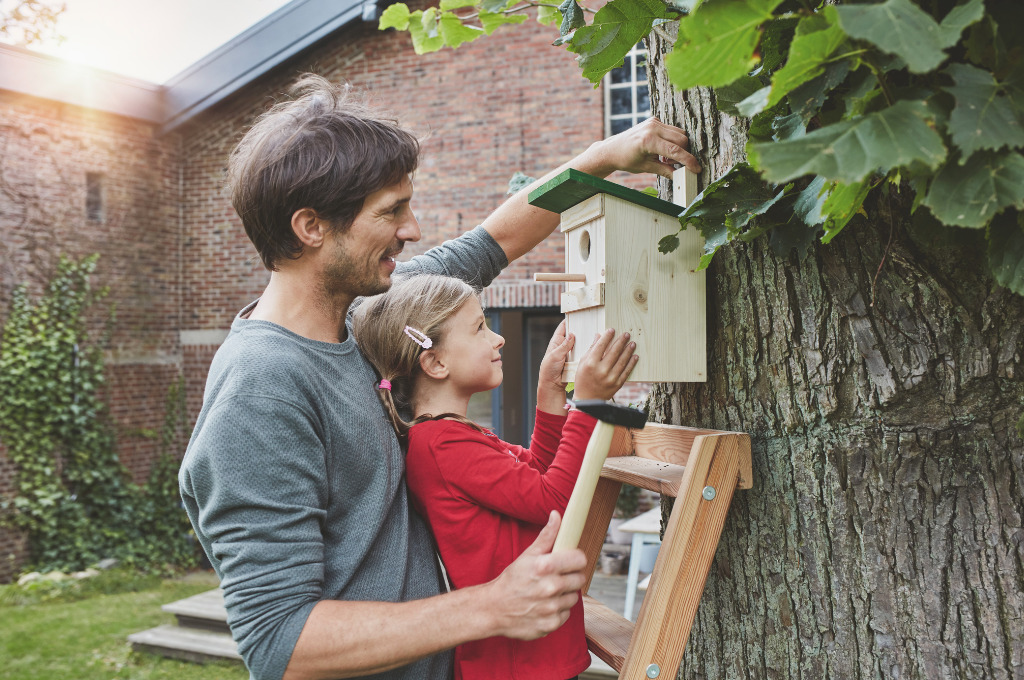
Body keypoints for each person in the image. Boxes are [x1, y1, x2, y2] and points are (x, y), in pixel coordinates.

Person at [178, 72, 700, 680]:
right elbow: (278, 642)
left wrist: (606, 157)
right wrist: (493, 606)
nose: (413, 229)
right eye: (391, 211)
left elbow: (495, 239)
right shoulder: (262, 390)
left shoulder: (374, 313)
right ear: (311, 227)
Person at [351, 274, 638, 680]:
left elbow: (537, 476)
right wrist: (589, 405)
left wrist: (549, 395)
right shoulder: (441, 445)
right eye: (480, 328)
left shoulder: (458, 435)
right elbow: (553, 500)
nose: (498, 339)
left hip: (531, 652)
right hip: (516, 662)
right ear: (435, 362)